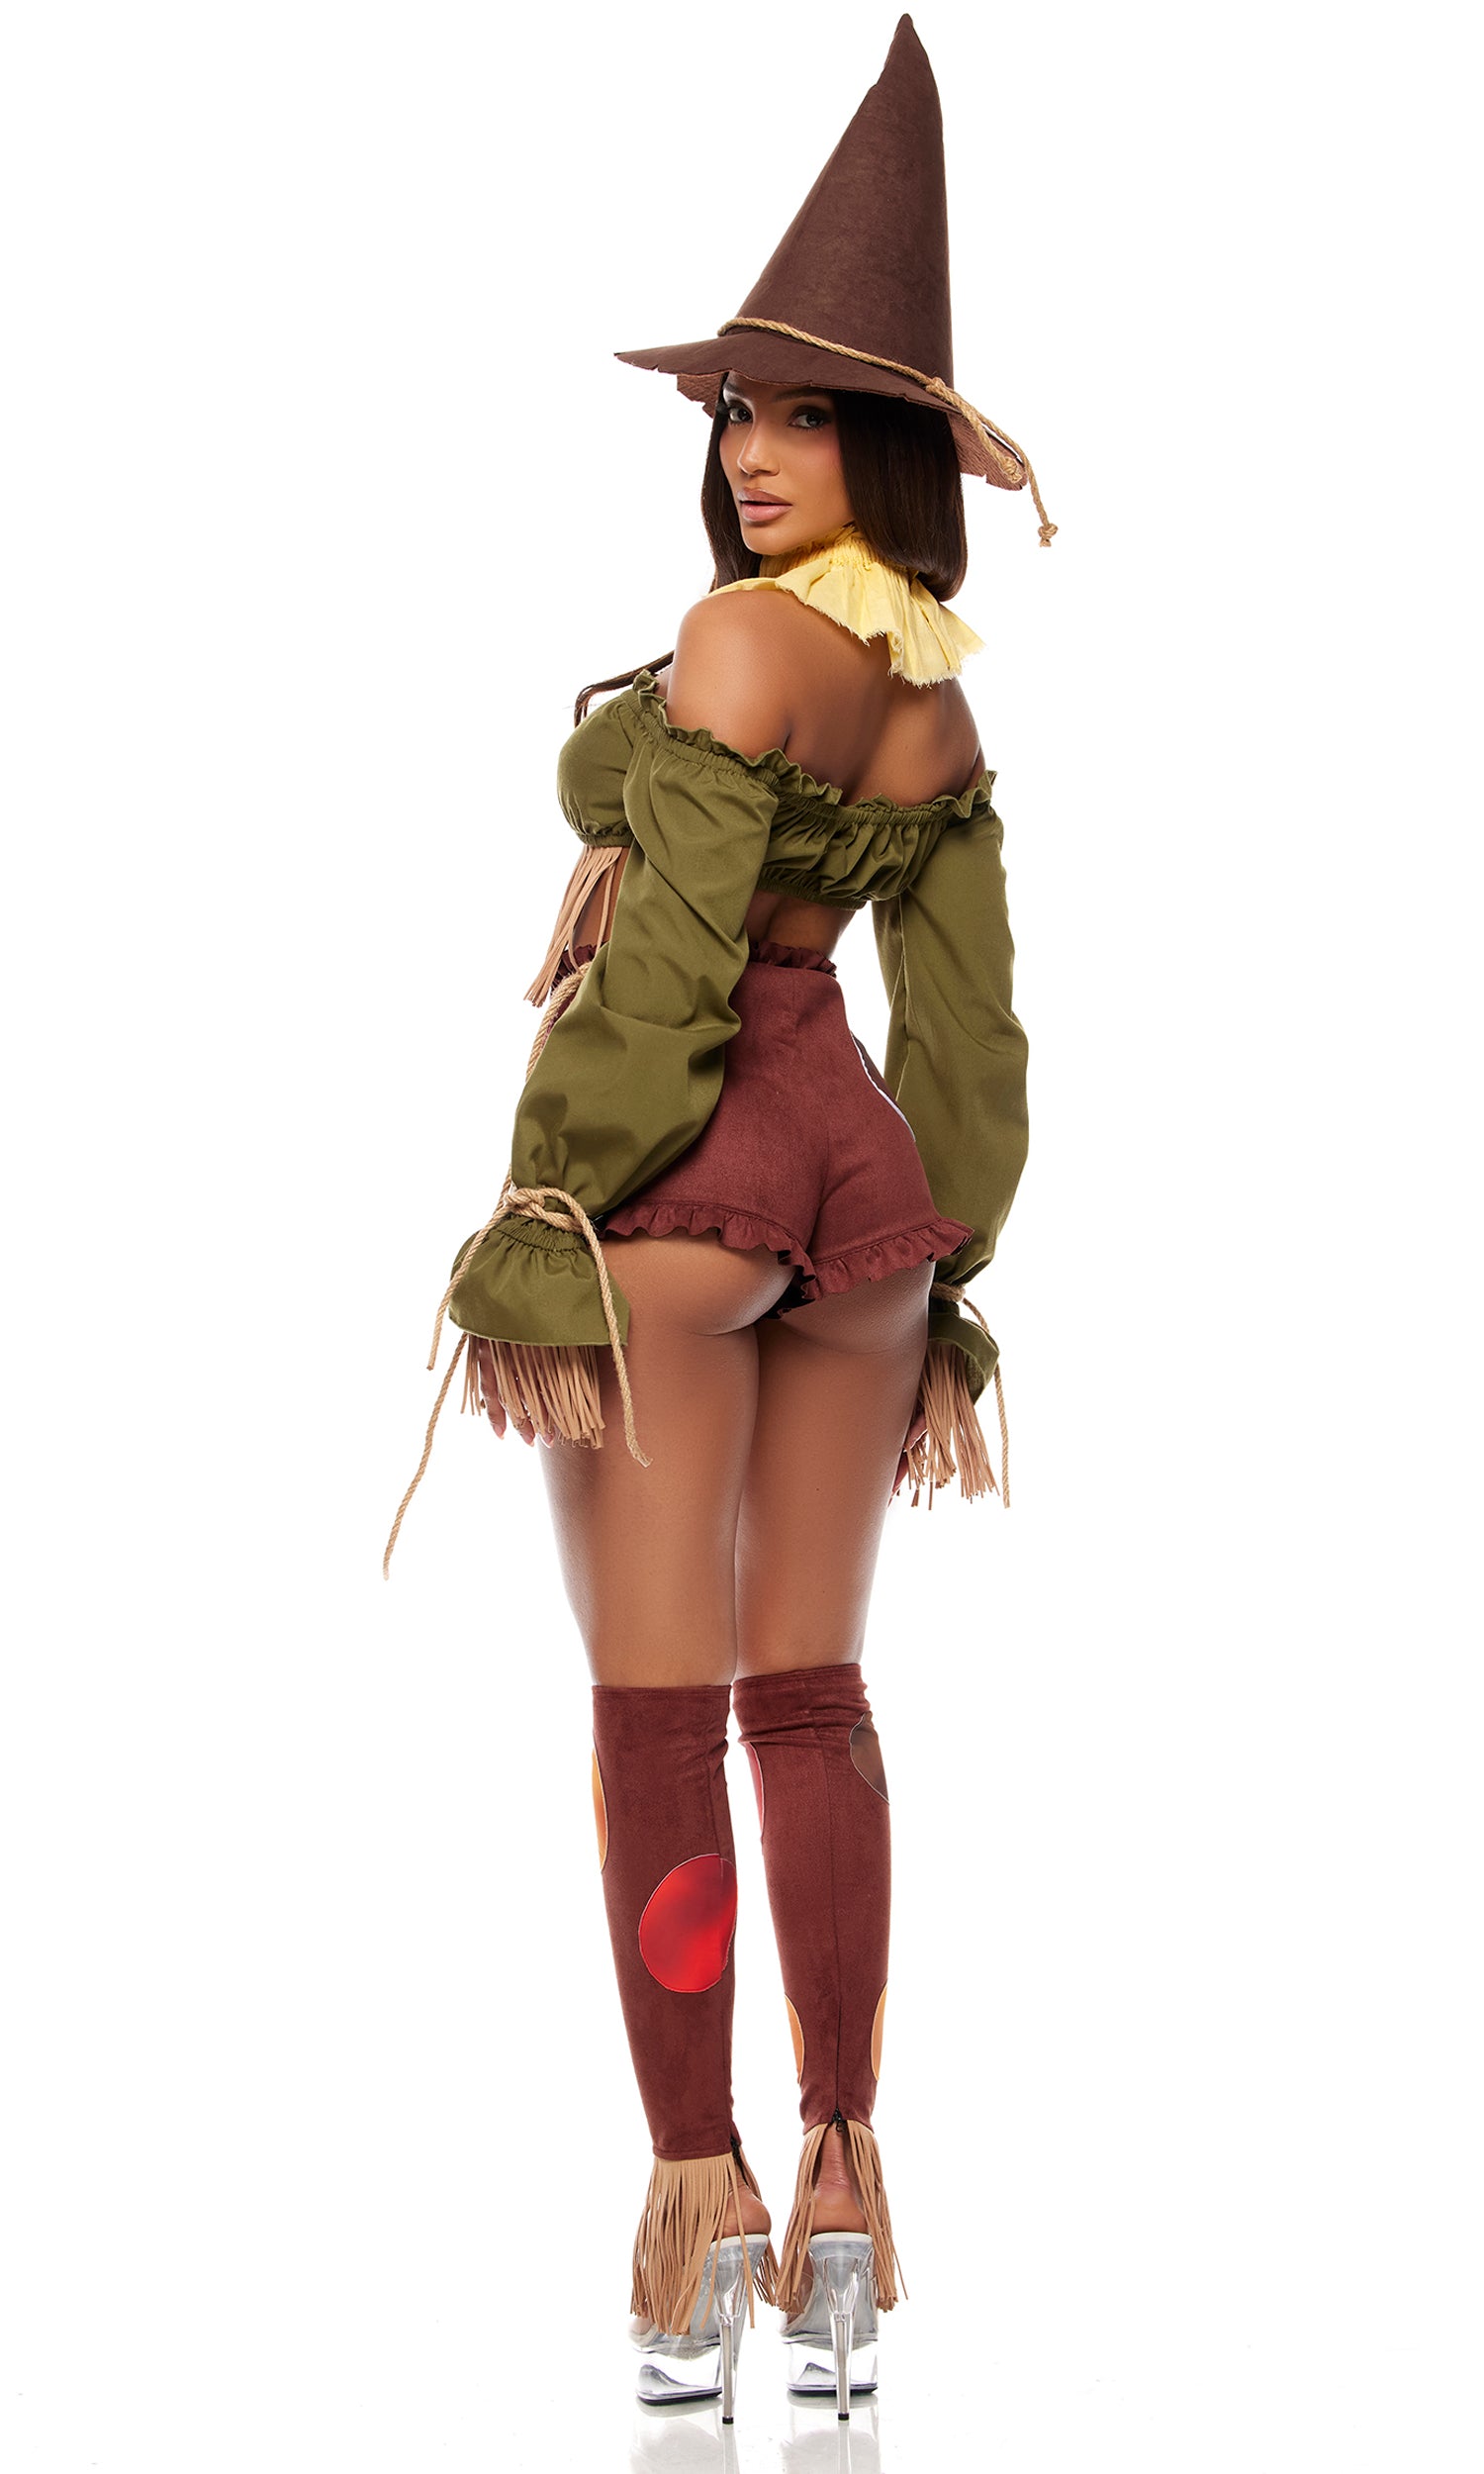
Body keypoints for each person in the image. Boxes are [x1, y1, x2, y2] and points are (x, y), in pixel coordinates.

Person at [386, 13, 1048, 2421]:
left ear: (886, 438)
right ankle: (848, 2198)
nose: (752, 452)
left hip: (687, 1181)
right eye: (736, 413)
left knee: (654, 1709)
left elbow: (668, 972)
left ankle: (697, 2224)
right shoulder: (931, 699)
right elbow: (966, 1036)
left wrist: (550, 1203)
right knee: (820, 1692)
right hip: (864, 1196)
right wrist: (942, 1259)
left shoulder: (736, 645)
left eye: (800, 414)